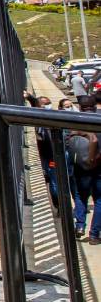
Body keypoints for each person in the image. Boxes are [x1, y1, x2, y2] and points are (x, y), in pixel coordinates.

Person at [70, 97, 101, 243]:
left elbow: (67, 141)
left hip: (80, 167)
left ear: (80, 107)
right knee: (99, 200)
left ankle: (80, 226)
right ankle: (94, 235)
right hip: (99, 166)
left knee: (80, 196)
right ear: (94, 107)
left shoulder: (76, 120)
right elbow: (94, 140)